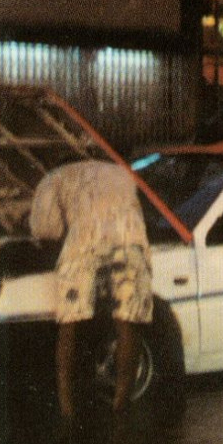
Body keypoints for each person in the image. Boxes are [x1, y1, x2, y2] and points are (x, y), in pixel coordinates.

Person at [29, 160, 153, 418]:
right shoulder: (118, 171)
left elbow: (45, 230)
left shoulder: (51, 178)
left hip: (84, 242)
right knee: (127, 322)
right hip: (130, 237)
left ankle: (67, 411)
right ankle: (121, 406)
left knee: (69, 322)